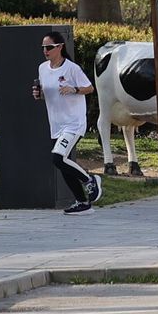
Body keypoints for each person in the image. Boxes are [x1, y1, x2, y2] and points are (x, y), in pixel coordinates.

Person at [33, 31, 102, 214]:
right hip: (56, 124)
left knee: (57, 157)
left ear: (60, 47)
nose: (45, 51)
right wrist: (38, 95)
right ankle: (82, 203)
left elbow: (89, 88)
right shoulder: (42, 68)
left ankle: (90, 180)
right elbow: (45, 92)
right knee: (63, 164)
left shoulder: (72, 68)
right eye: (43, 48)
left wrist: (74, 89)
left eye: (49, 47)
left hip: (74, 123)